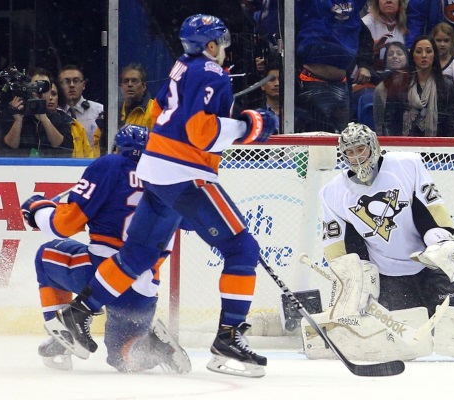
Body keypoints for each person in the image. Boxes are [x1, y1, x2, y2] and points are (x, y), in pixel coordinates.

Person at [40, 14, 277, 378]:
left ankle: (78, 313)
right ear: (212, 45)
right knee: (242, 249)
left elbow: (163, 107)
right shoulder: (213, 74)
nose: (225, 50)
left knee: (138, 253)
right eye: (223, 43)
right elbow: (200, 133)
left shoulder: (181, 66)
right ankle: (229, 337)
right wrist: (251, 125)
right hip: (186, 173)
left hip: (155, 169)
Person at [303, 122, 454, 362]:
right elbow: (339, 246)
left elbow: (431, 210)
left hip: (428, 264)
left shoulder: (407, 164)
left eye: (361, 149)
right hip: (388, 276)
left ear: (373, 146)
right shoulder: (332, 192)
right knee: (399, 345)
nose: (356, 157)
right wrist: (357, 277)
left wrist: (438, 242)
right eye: (350, 152)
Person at [21, 124, 190, 373]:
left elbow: (64, 226)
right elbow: (192, 221)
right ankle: (156, 348)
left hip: (103, 272)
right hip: (144, 291)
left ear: (115, 148)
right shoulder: (167, 179)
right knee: (123, 356)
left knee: (47, 255)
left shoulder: (110, 165)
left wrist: (39, 211)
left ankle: (65, 336)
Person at [295, 0, 368, 133]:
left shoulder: (353, 4)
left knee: (343, 141)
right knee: (317, 142)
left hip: (342, 83)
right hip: (313, 82)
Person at [0, 68, 73, 157]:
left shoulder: (61, 119)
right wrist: (18, 121)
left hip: (50, 168)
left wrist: (44, 118)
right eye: (35, 86)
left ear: (50, 92)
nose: (40, 91)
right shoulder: (11, 115)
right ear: (28, 89)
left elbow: (65, 148)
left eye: (45, 88)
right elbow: (7, 149)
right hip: (19, 168)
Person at [403, 36, 454, 136]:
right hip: (405, 146)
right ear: (413, 57)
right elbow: (391, 121)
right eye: (419, 52)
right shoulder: (402, 85)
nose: (424, 55)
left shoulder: (447, 86)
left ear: (434, 55)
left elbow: (452, 125)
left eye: (428, 51)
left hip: (437, 146)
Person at [58, 65, 104, 152]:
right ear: (59, 86)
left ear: (83, 85)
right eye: (66, 81)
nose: (71, 85)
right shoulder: (56, 113)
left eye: (76, 81)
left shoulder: (99, 110)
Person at [46, 77, 93, 158]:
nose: (50, 98)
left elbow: (87, 155)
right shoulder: (26, 120)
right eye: (46, 94)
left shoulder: (73, 124)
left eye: (53, 94)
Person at [373, 42, 410, 136]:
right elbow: (379, 122)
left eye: (399, 53)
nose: (394, 56)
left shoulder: (415, 82)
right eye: (390, 54)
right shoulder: (381, 89)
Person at [119, 63, 155, 131]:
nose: (129, 84)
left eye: (134, 81)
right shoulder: (112, 111)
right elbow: (97, 140)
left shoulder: (154, 110)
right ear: (121, 86)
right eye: (126, 81)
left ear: (144, 86)